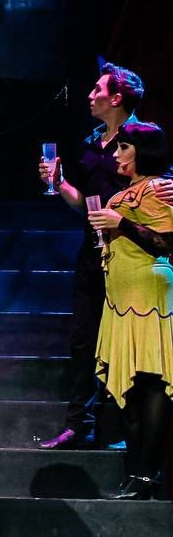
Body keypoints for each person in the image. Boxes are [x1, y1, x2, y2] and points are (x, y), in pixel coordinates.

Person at [37, 63, 173, 450]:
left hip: (134, 258)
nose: (90, 95)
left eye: (97, 89)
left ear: (116, 98)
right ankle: (80, 424)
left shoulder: (141, 138)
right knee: (84, 338)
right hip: (94, 252)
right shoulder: (91, 142)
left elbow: (160, 186)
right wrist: (59, 182)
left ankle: (121, 430)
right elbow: (86, 204)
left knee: (130, 345)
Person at [87, 122, 173, 500]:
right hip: (120, 300)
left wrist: (121, 222)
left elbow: (166, 244)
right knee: (132, 387)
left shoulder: (158, 188)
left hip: (149, 295)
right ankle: (137, 471)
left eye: (124, 147)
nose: (117, 154)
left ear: (144, 152)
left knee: (152, 381)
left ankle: (148, 473)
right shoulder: (124, 192)